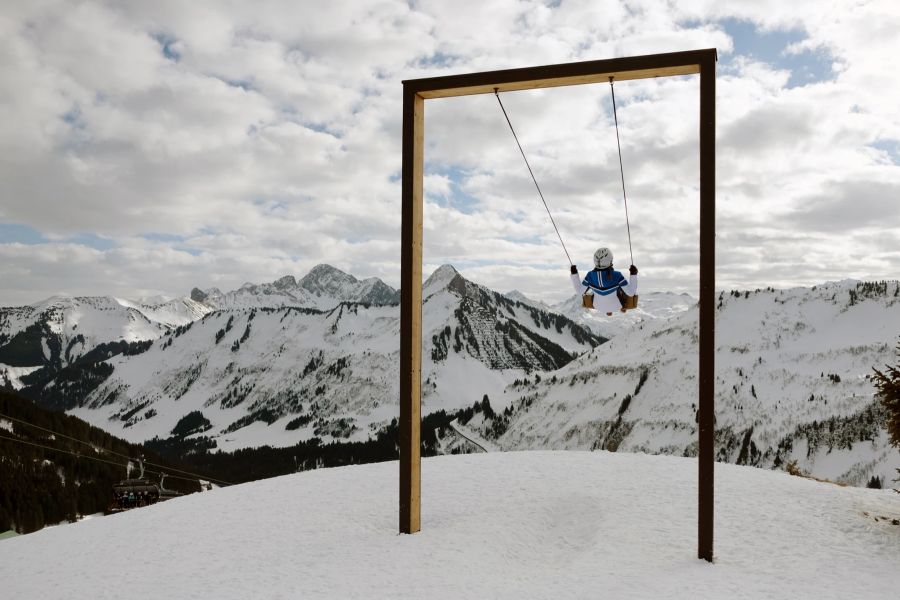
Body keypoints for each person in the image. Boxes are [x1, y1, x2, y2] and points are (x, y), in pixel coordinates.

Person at [570, 247, 638, 316]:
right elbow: (631, 293)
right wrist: (633, 274)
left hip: (597, 306)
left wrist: (574, 273)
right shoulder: (617, 275)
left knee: (596, 289)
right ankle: (622, 307)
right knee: (621, 288)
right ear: (610, 261)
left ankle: (608, 310)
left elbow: (579, 291)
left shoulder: (590, 275)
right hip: (617, 306)